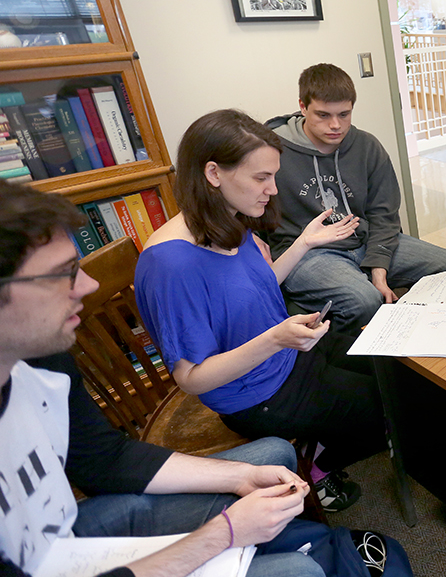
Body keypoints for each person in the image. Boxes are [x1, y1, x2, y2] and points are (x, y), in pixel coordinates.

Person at [0, 179, 328, 577]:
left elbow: (104, 459)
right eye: (62, 274)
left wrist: (240, 476)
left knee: (271, 457)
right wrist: (223, 535)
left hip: (66, 536)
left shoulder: (41, 359)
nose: (87, 286)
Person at [134, 109, 389, 511]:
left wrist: (304, 243)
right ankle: (316, 467)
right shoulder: (171, 266)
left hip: (288, 356)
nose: (273, 189)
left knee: (391, 369)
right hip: (255, 395)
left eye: (273, 176)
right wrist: (274, 339)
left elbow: (256, 288)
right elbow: (191, 379)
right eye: (261, 178)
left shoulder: (230, 219)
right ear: (214, 173)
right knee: (384, 410)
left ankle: (321, 436)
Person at [266, 63, 446, 332]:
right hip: (309, 252)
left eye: (344, 114)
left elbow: (385, 214)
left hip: (362, 240)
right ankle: (367, 360)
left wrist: (378, 266)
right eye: (323, 115)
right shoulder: (272, 149)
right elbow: (244, 200)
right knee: (365, 300)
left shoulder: (367, 146)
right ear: (302, 106)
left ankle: (419, 341)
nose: (336, 125)